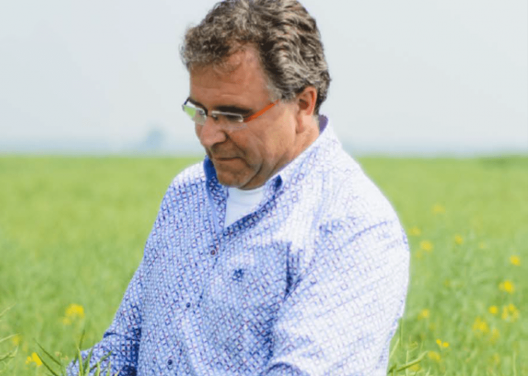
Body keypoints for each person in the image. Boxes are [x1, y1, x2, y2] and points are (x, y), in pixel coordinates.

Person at [68, 0, 410, 375]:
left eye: (232, 115)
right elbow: (123, 347)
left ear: (303, 103)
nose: (209, 136)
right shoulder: (187, 193)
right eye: (199, 111)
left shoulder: (353, 226)